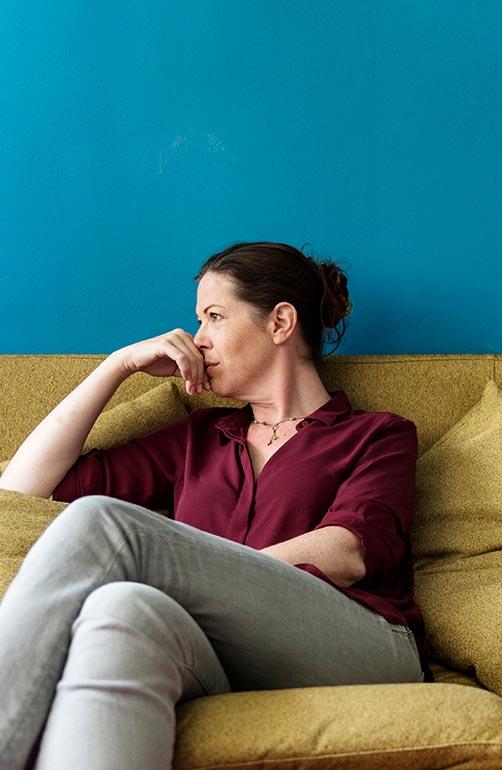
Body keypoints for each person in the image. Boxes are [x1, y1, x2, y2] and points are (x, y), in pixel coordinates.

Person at [0, 242, 426, 770]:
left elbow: (348, 551)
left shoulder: (377, 435)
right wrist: (117, 367)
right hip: (222, 651)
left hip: (360, 643)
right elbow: (20, 491)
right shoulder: (198, 437)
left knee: (104, 524)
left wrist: (193, 574)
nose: (197, 340)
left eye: (214, 317)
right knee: (120, 611)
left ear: (280, 323)